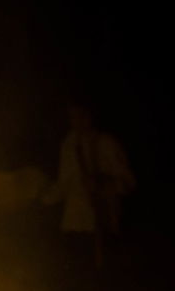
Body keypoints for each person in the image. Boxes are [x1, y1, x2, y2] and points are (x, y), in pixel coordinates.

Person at [43, 104, 135, 270]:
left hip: (100, 227)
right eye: (72, 117)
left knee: (102, 278)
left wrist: (103, 182)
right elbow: (64, 183)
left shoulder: (106, 144)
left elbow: (128, 182)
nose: (76, 121)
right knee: (76, 277)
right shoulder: (69, 144)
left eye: (80, 116)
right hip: (73, 226)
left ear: (89, 117)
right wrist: (45, 196)